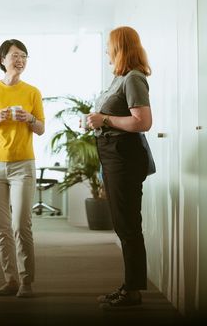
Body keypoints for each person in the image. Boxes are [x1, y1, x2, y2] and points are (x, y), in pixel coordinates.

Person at [85, 26, 152, 309]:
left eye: (109, 46)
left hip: (124, 157)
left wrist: (106, 121)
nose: (106, 52)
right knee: (123, 224)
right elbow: (109, 116)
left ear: (120, 47)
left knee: (127, 225)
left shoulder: (134, 78)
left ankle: (132, 291)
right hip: (112, 155)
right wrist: (96, 120)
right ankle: (130, 287)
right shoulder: (120, 78)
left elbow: (142, 122)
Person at [0, 39, 45, 298]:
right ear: (3, 59)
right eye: (15, 55)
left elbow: (41, 128)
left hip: (23, 166)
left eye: (24, 56)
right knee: (0, 227)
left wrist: (30, 119)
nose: (20, 60)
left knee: (20, 225)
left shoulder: (32, 92)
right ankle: (10, 280)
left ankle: (27, 282)